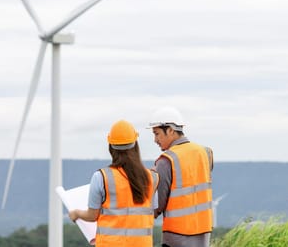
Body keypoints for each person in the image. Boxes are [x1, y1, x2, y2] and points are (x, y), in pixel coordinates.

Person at [69, 119, 159, 247]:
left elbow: (92, 215)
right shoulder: (152, 178)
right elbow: (153, 212)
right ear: (135, 144)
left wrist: (76, 213)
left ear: (111, 146)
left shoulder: (101, 177)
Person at [149, 106, 214, 247]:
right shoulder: (205, 153)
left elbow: (157, 206)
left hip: (176, 236)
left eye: (157, 134)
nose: (155, 140)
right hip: (203, 233)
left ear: (171, 130)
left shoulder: (166, 161)